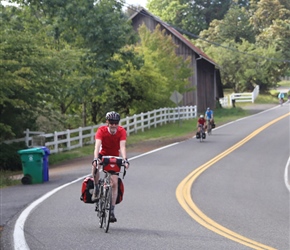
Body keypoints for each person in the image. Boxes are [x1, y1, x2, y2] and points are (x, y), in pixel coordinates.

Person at [91, 111, 130, 223]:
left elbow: (122, 147)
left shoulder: (122, 131)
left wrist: (125, 160)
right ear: (107, 122)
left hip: (114, 156)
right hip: (102, 154)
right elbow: (97, 146)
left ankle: (112, 211)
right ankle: (96, 187)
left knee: (114, 182)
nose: (113, 125)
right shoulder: (101, 131)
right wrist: (95, 158)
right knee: (95, 166)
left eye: (115, 123)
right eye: (111, 123)